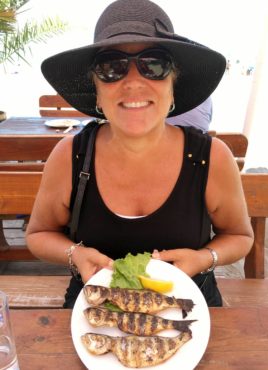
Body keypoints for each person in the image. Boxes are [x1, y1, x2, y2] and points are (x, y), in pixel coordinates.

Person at [26, 0, 254, 308]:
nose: (133, 82)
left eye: (155, 64)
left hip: (188, 309)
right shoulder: (71, 155)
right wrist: (74, 254)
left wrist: (203, 258)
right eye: (111, 67)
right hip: (94, 310)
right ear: (96, 89)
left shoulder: (211, 158)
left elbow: (241, 236)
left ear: (174, 84)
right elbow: (39, 233)